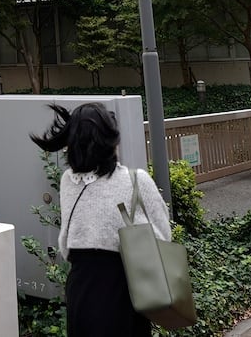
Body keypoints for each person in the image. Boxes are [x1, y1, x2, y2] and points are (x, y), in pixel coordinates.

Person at [31, 103, 172, 336]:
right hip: (124, 289)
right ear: (111, 141)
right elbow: (163, 238)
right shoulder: (136, 181)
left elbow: (65, 243)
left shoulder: (68, 181)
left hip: (81, 289)